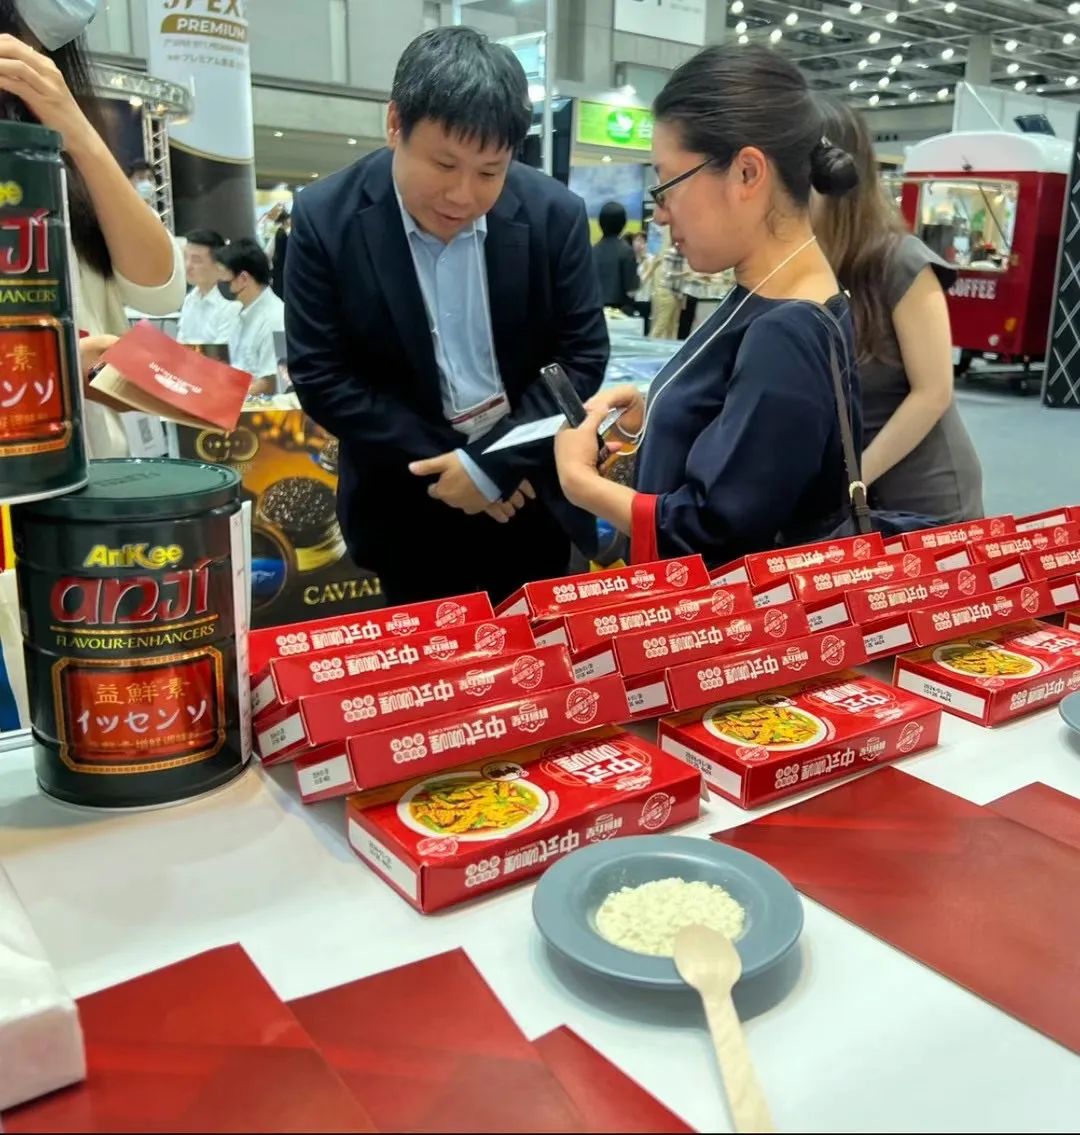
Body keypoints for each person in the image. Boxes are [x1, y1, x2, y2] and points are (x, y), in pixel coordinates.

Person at [285, 26, 608, 605]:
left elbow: (581, 356)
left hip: (528, 495)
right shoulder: (325, 218)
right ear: (395, 124)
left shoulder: (553, 214)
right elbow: (321, 375)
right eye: (443, 164)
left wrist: (491, 466)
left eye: (489, 172)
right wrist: (457, 467)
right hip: (406, 501)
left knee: (537, 649)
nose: (462, 195)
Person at [554, 45, 860, 567]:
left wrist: (580, 482)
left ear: (747, 174)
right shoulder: (774, 293)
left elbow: (714, 536)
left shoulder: (786, 329)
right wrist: (658, 418)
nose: (660, 215)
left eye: (667, 185)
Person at [0, 0, 185, 457]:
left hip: (91, 466)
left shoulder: (58, 120)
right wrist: (55, 366)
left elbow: (159, 287)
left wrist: (77, 132)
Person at [814, 98, 984, 523]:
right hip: (851, 496)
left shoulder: (901, 261)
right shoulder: (807, 267)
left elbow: (933, 393)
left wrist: (853, 480)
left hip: (923, 496)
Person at [215, 237, 285, 396]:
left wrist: (226, 399)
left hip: (257, 407)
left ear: (243, 279)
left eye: (224, 278)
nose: (220, 283)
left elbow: (271, 383)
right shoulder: (237, 312)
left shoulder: (276, 318)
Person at [177, 228, 240, 347]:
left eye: (196, 260)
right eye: (185, 257)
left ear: (219, 265)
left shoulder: (230, 305)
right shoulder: (190, 299)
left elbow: (222, 354)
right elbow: (181, 341)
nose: (188, 265)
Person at [592, 200, 637, 313]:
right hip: (620, 312)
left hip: (594, 309)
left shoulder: (592, 251)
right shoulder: (627, 251)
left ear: (600, 223)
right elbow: (631, 290)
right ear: (623, 224)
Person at [629, 231, 655, 334]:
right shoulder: (629, 258)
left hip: (645, 297)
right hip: (631, 298)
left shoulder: (650, 259)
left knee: (644, 327)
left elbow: (644, 279)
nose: (638, 244)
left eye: (642, 241)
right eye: (636, 240)